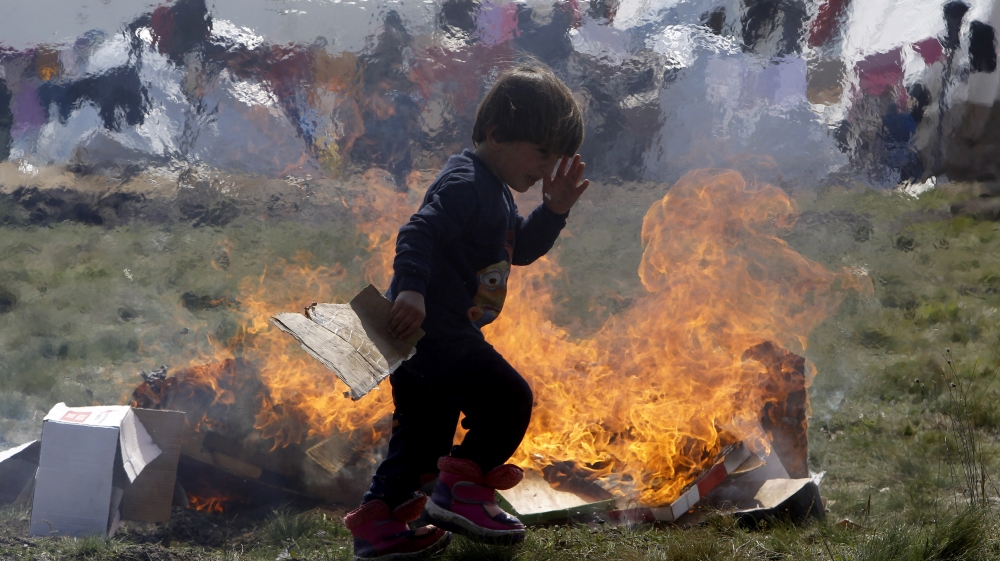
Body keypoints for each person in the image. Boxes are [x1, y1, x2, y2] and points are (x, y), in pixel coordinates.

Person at [343, 64, 589, 560]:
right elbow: (419, 232)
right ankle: (463, 491)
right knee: (508, 399)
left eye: (556, 156)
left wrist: (554, 211)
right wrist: (411, 290)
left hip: (422, 340)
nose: (547, 167)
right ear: (496, 134)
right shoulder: (466, 183)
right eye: (542, 151)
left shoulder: (493, 190)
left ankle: (379, 525)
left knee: (422, 440)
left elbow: (518, 249)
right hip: (434, 331)